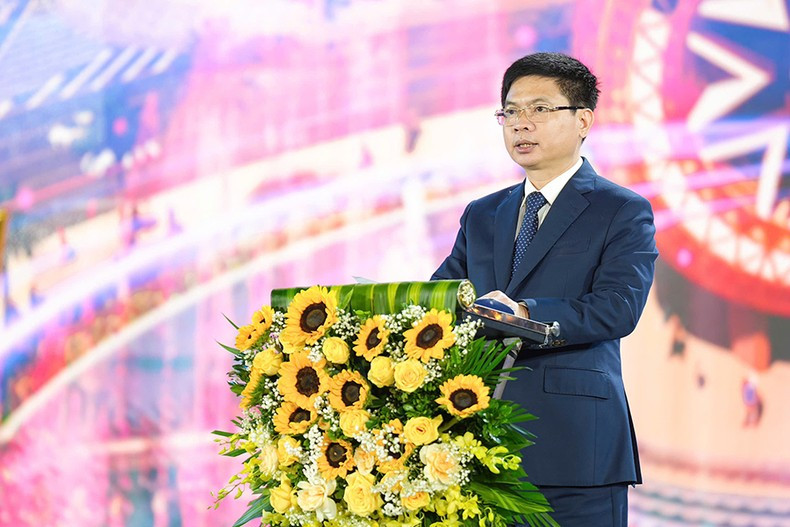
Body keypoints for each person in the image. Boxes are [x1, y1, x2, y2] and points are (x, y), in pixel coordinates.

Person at [432, 52, 658, 526]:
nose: (521, 124)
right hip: (475, 443)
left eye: (539, 109)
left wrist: (523, 312)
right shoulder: (482, 213)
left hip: (576, 446)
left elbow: (617, 308)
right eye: (510, 111)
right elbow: (441, 300)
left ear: (583, 121)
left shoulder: (621, 209)